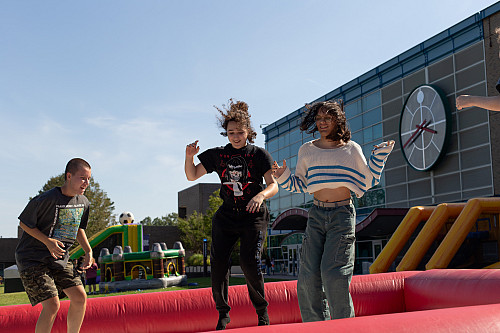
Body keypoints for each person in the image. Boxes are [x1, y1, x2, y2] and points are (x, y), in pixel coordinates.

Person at [272, 100, 394, 322]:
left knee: (334, 275)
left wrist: (379, 157)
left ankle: (343, 326)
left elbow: (367, 181)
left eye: (327, 118)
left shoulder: (351, 149)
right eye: (319, 119)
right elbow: (300, 185)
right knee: (308, 277)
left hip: (342, 214)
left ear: (338, 120)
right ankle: (315, 326)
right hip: (316, 213)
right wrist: (282, 176)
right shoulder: (307, 150)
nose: (322, 123)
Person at [185, 99, 278, 330]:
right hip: (226, 216)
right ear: (226, 133)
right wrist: (189, 156)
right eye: (230, 132)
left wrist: (261, 196)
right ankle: (223, 314)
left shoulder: (259, 155)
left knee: (249, 262)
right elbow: (192, 176)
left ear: (249, 132)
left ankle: (262, 312)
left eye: (240, 132)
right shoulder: (217, 155)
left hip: (253, 214)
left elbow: (273, 185)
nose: (235, 136)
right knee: (218, 264)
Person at [15, 158, 93, 333]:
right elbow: (24, 223)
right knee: (52, 304)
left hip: (58, 256)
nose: (86, 183)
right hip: (32, 258)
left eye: (89, 179)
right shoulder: (46, 199)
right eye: (82, 178)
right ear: (69, 176)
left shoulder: (83, 203)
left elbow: (78, 227)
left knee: (80, 297)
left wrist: (88, 250)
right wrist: (47, 241)